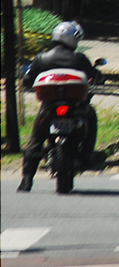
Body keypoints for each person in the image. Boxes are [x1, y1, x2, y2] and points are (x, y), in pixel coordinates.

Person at [20, 21, 99, 192]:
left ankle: (26, 180)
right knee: (91, 117)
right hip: (75, 107)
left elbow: (27, 79)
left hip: (49, 107)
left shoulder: (41, 58)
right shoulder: (79, 59)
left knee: (36, 141)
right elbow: (94, 75)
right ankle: (86, 156)